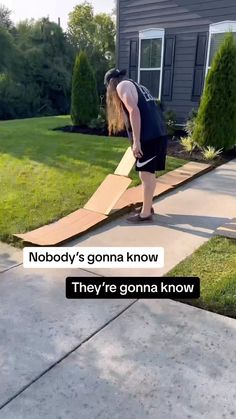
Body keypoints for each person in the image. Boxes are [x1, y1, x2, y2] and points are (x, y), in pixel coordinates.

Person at [104, 68, 168, 223]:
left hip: (149, 137)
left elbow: (134, 111)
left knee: (145, 175)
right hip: (159, 133)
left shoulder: (121, 86)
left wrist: (137, 142)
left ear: (111, 83)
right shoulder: (136, 85)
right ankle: (148, 206)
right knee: (149, 173)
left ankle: (145, 214)